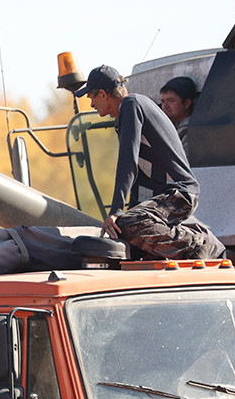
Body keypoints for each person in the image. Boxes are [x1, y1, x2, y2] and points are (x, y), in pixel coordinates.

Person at [75, 65, 223, 260]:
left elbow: (128, 163)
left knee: (128, 223)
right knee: (122, 234)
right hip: (162, 196)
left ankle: (200, 245)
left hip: (180, 193)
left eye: (91, 97)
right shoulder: (126, 116)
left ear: (102, 94)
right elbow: (139, 176)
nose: (92, 104)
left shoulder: (132, 105)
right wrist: (122, 221)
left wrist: (116, 211)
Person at [159, 76, 198, 153]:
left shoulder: (191, 131)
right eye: (163, 101)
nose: (165, 106)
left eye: (171, 100)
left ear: (187, 103)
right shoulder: (168, 128)